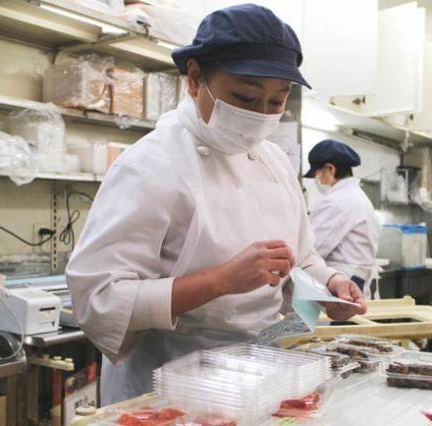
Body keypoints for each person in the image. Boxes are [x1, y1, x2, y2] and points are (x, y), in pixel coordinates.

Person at [66, 4, 366, 405]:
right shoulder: (149, 166)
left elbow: (300, 257)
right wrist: (221, 280)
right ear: (195, 78)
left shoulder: (275, 162)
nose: (260, 116)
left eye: (276, 102)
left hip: (260, 368)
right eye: (245, 97)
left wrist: (328, 286)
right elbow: (98, 299)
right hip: (167, 382)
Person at [304, 139, 381, 296]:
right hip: (354, 281)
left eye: (317, 173)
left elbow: (311, 248)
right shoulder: (356, 196)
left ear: (330, 169)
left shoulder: (337, 201)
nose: (317, 179)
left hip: (342, 284)